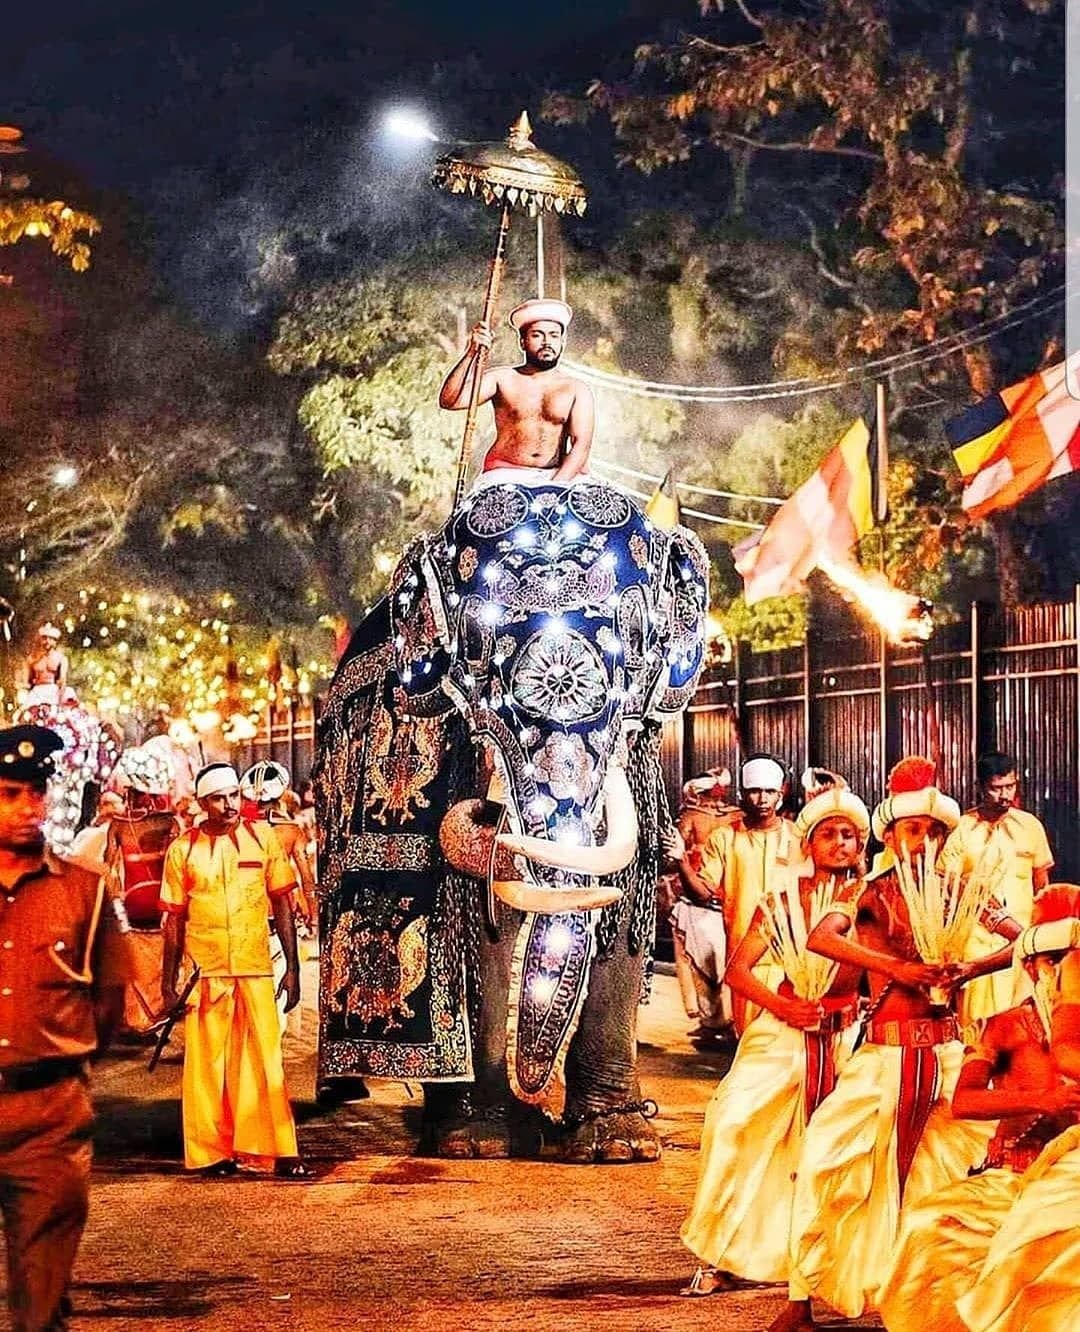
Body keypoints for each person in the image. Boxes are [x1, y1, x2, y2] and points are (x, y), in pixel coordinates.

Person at [779, 756, 1020, 1332]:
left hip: (946, 1054)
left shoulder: (961, 891)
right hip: (883, 1058)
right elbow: (822, 938)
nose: (925, 841)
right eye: (914, 830)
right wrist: (896, 969)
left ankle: (922, 1302)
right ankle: (799, 1297)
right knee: (824, 1163)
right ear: (890, 835)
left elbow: (1025, 938)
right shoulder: (868, 891)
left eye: (935, 832)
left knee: (945, 1184)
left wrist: (971, 968)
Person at [680, 786, 869, 1298]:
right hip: (780, 1035)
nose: (839, 843)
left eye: (848, 835)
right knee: (734, 1124)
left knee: (833, 1149)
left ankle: (822, 1262)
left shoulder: (871, 901)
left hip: (844, 1039)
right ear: (809, 844)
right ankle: (718, 1254)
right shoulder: (782, 901)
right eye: (828, 834)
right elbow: (738, 971)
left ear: (861, 844)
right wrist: (785, 1008)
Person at [877, 883, 1080, 1332]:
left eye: (1072, 961)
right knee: (927, 1227)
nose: (1064, 973)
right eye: (1053, 961)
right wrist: (1041, 1100)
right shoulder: (1003, 1027)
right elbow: (964, 1101)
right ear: (1030, 966)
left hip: (1068, 1183)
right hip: (1013, 1176)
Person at [0, 724, 131, 1331]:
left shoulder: (85, 892)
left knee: (41, 1306)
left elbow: (108, 1004)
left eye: (36, 792)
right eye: (10, 794)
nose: (28, 808)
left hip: (49, 1121)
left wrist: (57, 1060)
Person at [159, 762, 310, 1178]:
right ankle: (211, 1154)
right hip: (205, 971)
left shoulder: (262, 838)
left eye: (233, 796)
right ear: (202, 803)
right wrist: (167, 984)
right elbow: (174, 920)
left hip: (256, 965)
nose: (229, 805)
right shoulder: (183, 850)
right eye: (218, 799)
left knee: (266, 1059)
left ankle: (279, 1150)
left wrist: (293, 967)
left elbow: (282, 903)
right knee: (207, 1065)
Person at [940, 750, 1054, 1024]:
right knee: (978, 1026)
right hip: (976, 947)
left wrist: (1043, 939)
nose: (1005, 795)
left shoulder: (1030, 826)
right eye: (996, 788)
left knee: (1024, 1024)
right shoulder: (962, 829)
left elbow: (1043, 888)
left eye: (1010, 786)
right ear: (980, 787)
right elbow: (947, 885)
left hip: (1023, 942)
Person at [697, 753, 806, 1033]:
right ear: (742, 794)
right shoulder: (725, 838)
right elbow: (703, 891)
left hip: (795, 960)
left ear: (781, 793)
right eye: (755, 791)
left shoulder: (800, 839)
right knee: (749, 1040)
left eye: (769, 791)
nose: (762, 799)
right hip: (746, 963)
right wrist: (681, 862)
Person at [438, 297, 595, 483]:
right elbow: (450, 400)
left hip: (558, 476)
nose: (547, 342)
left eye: (554, 335)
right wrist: (472, 352)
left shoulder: (577, 389)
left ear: (562, 341)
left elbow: (581, 446)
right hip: (505, 475)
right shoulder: (502, 379)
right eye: (537, 335)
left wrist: (553, 488)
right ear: (522, 342)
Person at [669, 769, 738, 1045]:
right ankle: (725, 1021)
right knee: (725, 961)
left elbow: (674, 852)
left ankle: (713, 1022)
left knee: (699, 963)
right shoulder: (738, 817)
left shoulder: (690, 817)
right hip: (730, 897)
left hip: (701, 895)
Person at [21, 623, 69, 709]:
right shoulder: (32, 658)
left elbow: (62, 681)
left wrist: (61, 700)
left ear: (55, 641)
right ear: (40, 640)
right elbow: (27, 681)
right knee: (25, 713)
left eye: (50, 639)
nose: (47, 641)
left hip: (53, 692)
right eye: (44, 638)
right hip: (37, 692)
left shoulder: (61, 658)